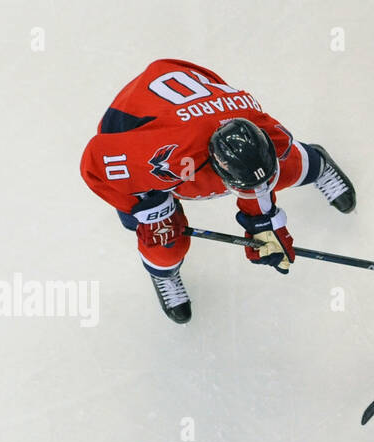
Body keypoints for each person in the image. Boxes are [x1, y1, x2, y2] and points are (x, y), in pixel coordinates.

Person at [80, 59, 356, 323]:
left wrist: (263, 223)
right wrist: (149, 214)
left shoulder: (263, 125)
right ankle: (164, 273)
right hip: (134, 134)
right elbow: (94, 164)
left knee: (286, 165)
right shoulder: (168, 159)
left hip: (195, 110)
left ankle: (319, 165)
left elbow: (260, 181)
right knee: (164, 243)